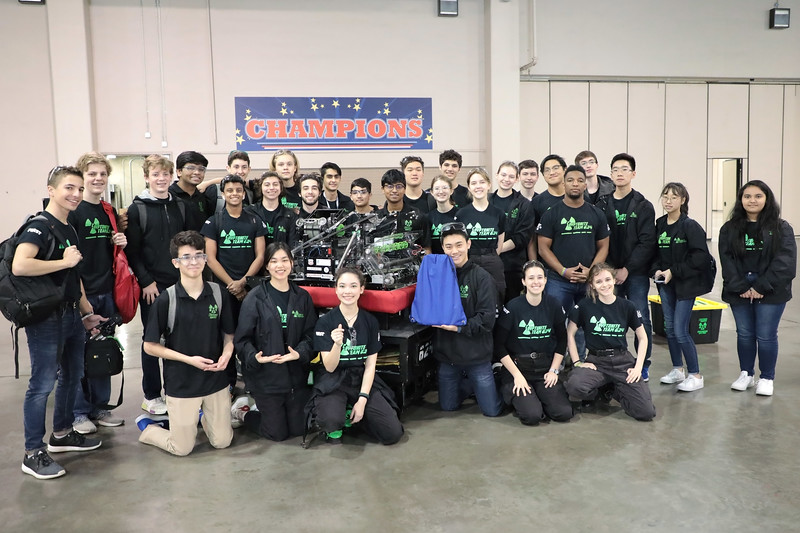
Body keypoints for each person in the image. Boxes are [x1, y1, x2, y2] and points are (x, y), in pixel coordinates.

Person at [16, 166, 106, 480]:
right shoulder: (39, 226)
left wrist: (85, 309)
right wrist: (63, 261)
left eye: (79, 189)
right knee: (42, 384)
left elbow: (73, 274)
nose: (76, 194)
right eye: (69, 188)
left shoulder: (69, 226)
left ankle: (63, 432)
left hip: (70, 313)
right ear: (51, 190)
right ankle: (33, 452)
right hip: (45, 318)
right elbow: (21, 264)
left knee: (72, 374)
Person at [137, 231, 234, 456]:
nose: (194, 262)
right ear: (176, 263)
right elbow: (149, 346)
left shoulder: (218, 294)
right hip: (182, 383)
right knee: (181, 448)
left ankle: (201, 420)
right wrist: (188, 360)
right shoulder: (166, 300)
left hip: (215, 380)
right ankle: (150, 428)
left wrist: (227, 353)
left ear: (205, 259)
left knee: (222, 441)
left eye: (199, 256)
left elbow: (229, 335)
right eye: (186, 257)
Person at [309, 267, 404, 445]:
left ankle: (356, 415)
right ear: (336, 289)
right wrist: (337, 345)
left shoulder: (369, 322)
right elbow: (329, 367)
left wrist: (362, 400)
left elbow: (370, 366)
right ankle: (339, 418)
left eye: (353, 286)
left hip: (360, 377)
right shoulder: (325, 322)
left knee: (392, 434)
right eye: (342, 286)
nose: (347, 291)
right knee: (331, 421)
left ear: (361, 289)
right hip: (334, 380)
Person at [719, 180, 797, 397]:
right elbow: (727, 260)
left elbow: (786, 262)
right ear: (741, 200)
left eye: (757, 196)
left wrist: (761, 286)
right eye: (747, 196)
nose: (752, 200)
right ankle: (746, 373)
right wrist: (741, 286)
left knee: (765, 335)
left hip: (771, 291)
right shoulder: (730, 228)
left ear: (767, 199)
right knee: (744, 334)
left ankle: (767, 377)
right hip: (740, 290)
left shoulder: (781, 228)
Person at [233, 243, 317, 440]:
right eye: (274, 261)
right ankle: (243, 412)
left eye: (284, 260)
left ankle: (269, 409)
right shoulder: (254, 298)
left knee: (298, 430)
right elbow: (242, 340)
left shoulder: (302, 297)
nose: (280, 266)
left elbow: (311, 334)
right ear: (267, 267)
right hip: (267, 379)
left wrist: (300, 353)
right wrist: (255, 357)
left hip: (296, 378)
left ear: (292, 263)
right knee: (277, 434)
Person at [69, 152, 127, 434]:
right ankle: (79, 412)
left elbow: (112, 253)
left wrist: (121, 241)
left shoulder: (108, 210)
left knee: (102, 352)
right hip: (82, 294)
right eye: (92, 174)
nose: (98, 179)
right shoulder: (74, 211)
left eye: (103, 174)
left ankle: (100, 407)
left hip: (106, 291)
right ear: (82, 177)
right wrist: (83, 302)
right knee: (78, 355)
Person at [125, 155, 187, 415]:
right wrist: (146, 281)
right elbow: (133, 251)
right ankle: (151, 395)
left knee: (179, 339)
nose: (161, 179)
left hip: (180, 283)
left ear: (172, 176)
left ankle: (178, 389)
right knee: (151, 342)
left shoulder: (180, 207)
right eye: (156, 174)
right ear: (147, 177)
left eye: (165, 174)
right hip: (151, 287)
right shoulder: (136, 209)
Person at [564, 263, 656, 421]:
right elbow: (570, 333)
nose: (604, 284)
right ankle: (602, 388)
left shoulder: (627, 306)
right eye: (598, 281)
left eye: (607, 279)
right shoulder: (584, 306)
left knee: (646, 413)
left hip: (623, 362)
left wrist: (638, 367)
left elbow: (643, 337)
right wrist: (578, 362)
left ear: (614, 280)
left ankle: (615, 389)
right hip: (596, 361)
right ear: (592, 285)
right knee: (574, 386)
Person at [537, 164, 609, 360]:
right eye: (570, 180)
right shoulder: (552, 213)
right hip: (559, 281)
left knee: (585, 323)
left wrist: (592, 272)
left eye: (579, 180)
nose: (575, 184)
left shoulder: (596, 214)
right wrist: (562, 271)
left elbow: (603, 246)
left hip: (588, 281)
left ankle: (580, 361)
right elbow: (542, 248)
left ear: (585, 184)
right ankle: (556, 363)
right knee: (555, 322)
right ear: (564, 183)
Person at [595, 153, 656, 381]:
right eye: (615, 170)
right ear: (610, 175)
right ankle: (614, 361)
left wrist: (627, 269)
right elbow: (598, 239)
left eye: (624, 169)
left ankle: (644, 364)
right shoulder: (602, 204)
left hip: (636, 273)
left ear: (633, 174)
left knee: (641, 318)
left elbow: (647, 242)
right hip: (609, 273)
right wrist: (608, 272)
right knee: (610, 318)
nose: (620, 173)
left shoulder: (643, 205)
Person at [431, 223, 503, 416]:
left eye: (459, 245)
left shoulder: (482, 278)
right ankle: (469, 386)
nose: (454, 251)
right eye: (448, 246)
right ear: (442, 248)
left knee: (491, 411)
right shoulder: (437, 277)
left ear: (468, 244)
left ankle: (493, 378)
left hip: (477, 357)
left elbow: (487, 320)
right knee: (448, 406)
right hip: (448, 358)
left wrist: (457, 327)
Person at [494, 261, 574, 425]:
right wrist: (517, 376)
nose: (535, 282)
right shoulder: (513, 307)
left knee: (563, 413)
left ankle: (539, 396)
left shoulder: (554, 305)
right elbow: (499, 345)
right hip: (518, 368)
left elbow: (562, 339)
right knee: (532, 416)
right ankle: (520, 396)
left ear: (545, 280)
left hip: (544, 368)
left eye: (539, 277)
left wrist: (554, 370)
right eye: (531, 278)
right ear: (524, 281)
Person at [651, 183, 713, 392]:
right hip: (666, 286)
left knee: (680, 330)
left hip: (686, 286)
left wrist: (674, 271)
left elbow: (701, 257)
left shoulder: (690, 226)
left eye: (674, 197)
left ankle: (695, 374)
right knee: (669, 329)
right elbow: (655, 254)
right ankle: (678, 369)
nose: (668, 201)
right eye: (665, 197)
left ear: (683, 200)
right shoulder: (659, 224)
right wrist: (657, 270)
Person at [456, 168, 506, 301]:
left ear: (489, 185)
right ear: (469, 187)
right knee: (469, 299)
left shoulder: (498, 213)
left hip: (492, 259)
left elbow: (500, 241)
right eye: (474, 183)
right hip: (469, 260)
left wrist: (491, 256)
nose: (478, 186)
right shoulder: (461, 214)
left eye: (482, 182)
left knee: (496, 298)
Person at [490, 161, 535, 303]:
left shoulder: (523, 204)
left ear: (516, 179)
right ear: (497, 176)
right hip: (487, 266)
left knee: (511, 307)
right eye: (503, 175)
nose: (506, 179)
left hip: (512, 266)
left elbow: (522, 236)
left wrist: (496, 250)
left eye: (511, 176)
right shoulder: (486, 200)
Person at [375, 169, 431, 252]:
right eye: (390, 186)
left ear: (405, 189)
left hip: (412, 264)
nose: (394, 190)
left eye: (399, 186)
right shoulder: (376, 219)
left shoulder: (418, 216)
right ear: (382, 189)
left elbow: (427, 249)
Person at [529, 154, 567, 260]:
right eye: (547, 170)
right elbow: (532, 239)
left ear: (565, 170)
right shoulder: (537, 202)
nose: (551, 173)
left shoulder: (579, 198)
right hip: (548, 267)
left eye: (555, 168)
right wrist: (534, 264)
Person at [246, 171, 298, 247]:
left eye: (275, 184)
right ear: (261, 188)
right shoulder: (249, 212)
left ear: (281, 188)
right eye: (267, 185)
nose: (271, 188)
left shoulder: (290, 216)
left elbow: (292, 246)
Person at [170, 151, 212, 231]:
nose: (197, 172)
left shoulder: (203, 197)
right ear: (179, 172)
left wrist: (209, 182)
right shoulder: (169, 196)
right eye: (190, 168)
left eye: (201, 169)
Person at [428, 175, 458, 255]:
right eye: (437, 188)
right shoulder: (428, 218)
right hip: (437, 263)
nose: (441, 192)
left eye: (444, 188)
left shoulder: (461, 214)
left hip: (456, 262)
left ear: (451, 191)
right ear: (432, 192)